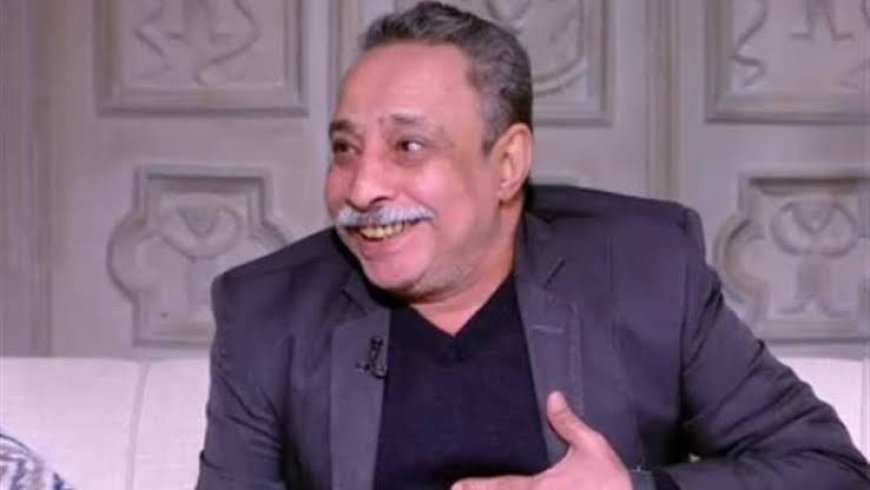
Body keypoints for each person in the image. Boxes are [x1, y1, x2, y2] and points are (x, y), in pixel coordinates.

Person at [196, 2, 870, 489]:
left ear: (508, 164)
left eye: (409, 146)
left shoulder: (646, 272)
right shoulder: (267, 313)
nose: (362, 185)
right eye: (346, 148)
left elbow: (827, 470)